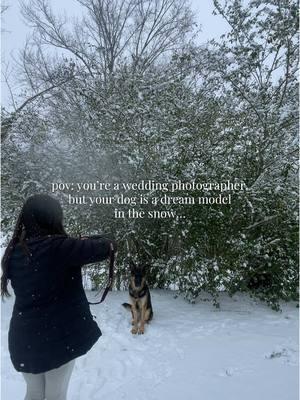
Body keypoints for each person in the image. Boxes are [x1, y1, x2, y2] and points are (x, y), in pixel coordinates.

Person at [1, 194, 117, 400]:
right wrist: (87, 240)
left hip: (24, 339)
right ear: (54, 218)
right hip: (57, 339)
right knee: (56, 395)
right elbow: (107, 246)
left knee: (34, 393)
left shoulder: (14, 252)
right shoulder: (60, 247)